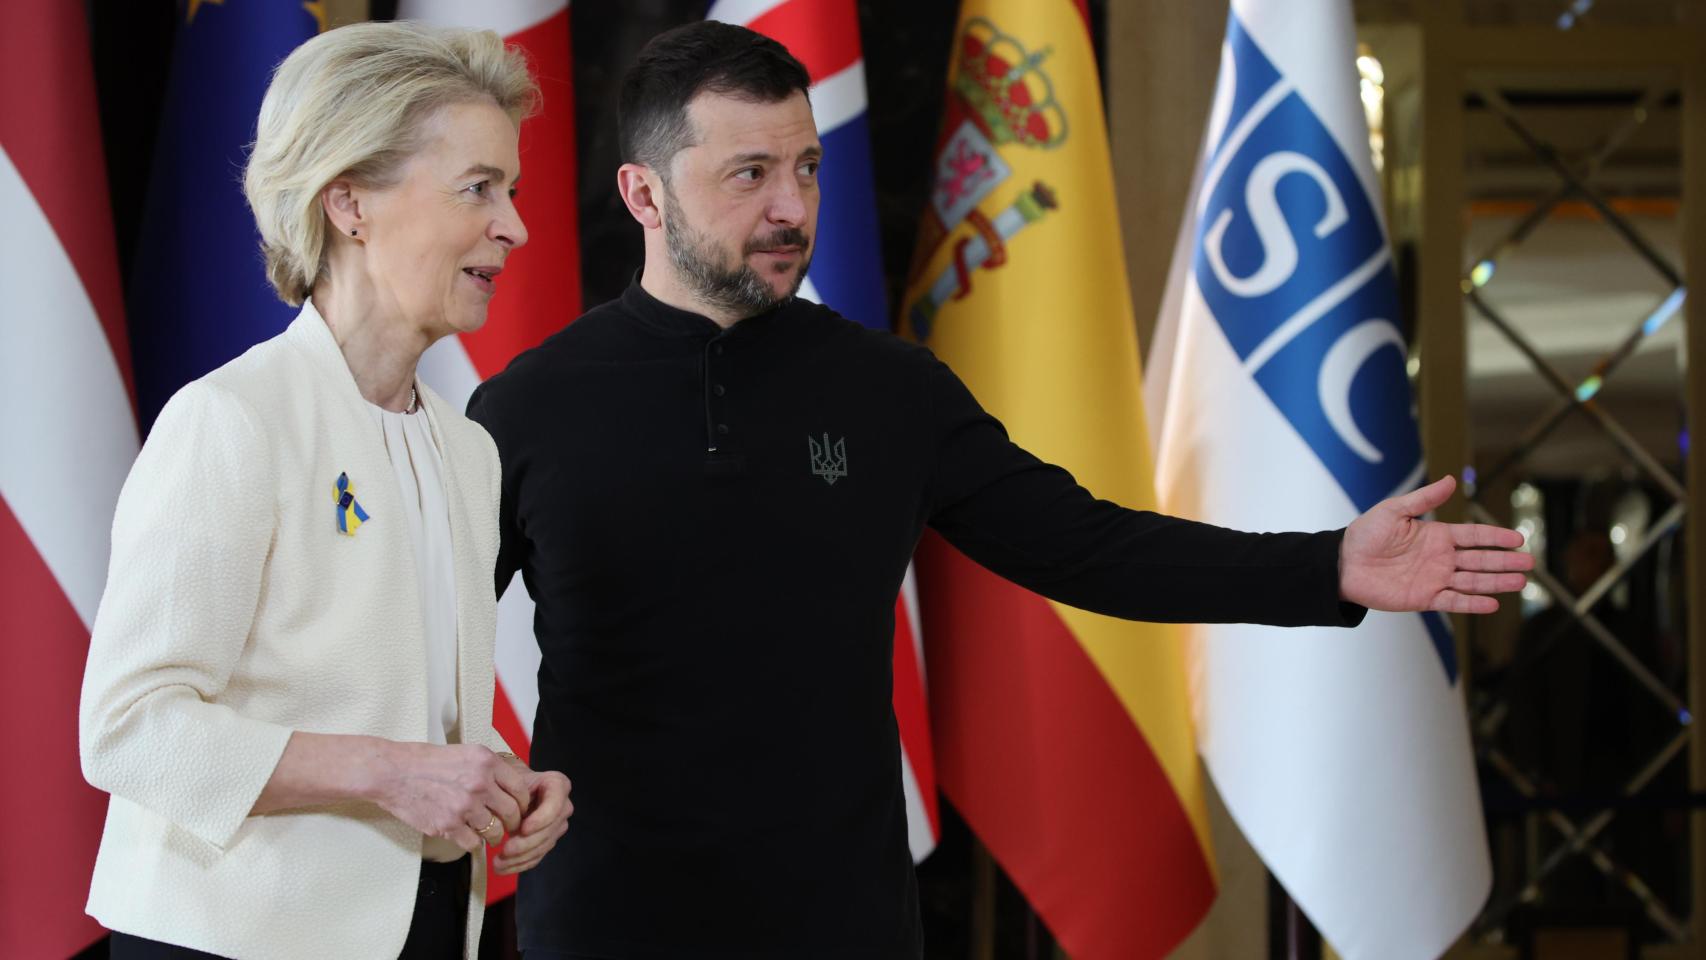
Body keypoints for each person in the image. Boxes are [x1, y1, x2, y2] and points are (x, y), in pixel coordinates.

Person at [466, 21, 1533, 960]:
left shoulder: (888, 390)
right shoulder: (528, 407)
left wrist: (1327, 564)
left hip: (840, 922)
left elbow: (1089, 547)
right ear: (642, 193)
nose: (792, 207)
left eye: (808, 167)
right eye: (749, 174)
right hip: (605, 920)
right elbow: (418, 634)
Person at [79, 22, 571, 960]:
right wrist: (393, 774)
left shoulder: (469, 452)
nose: (514, 226)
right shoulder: (231, 420)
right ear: (349, 203)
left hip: (428, 924)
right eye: (478, 188)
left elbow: (396, 712)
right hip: (229, 937)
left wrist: (499, 780)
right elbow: (129, 731)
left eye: (510, 191)